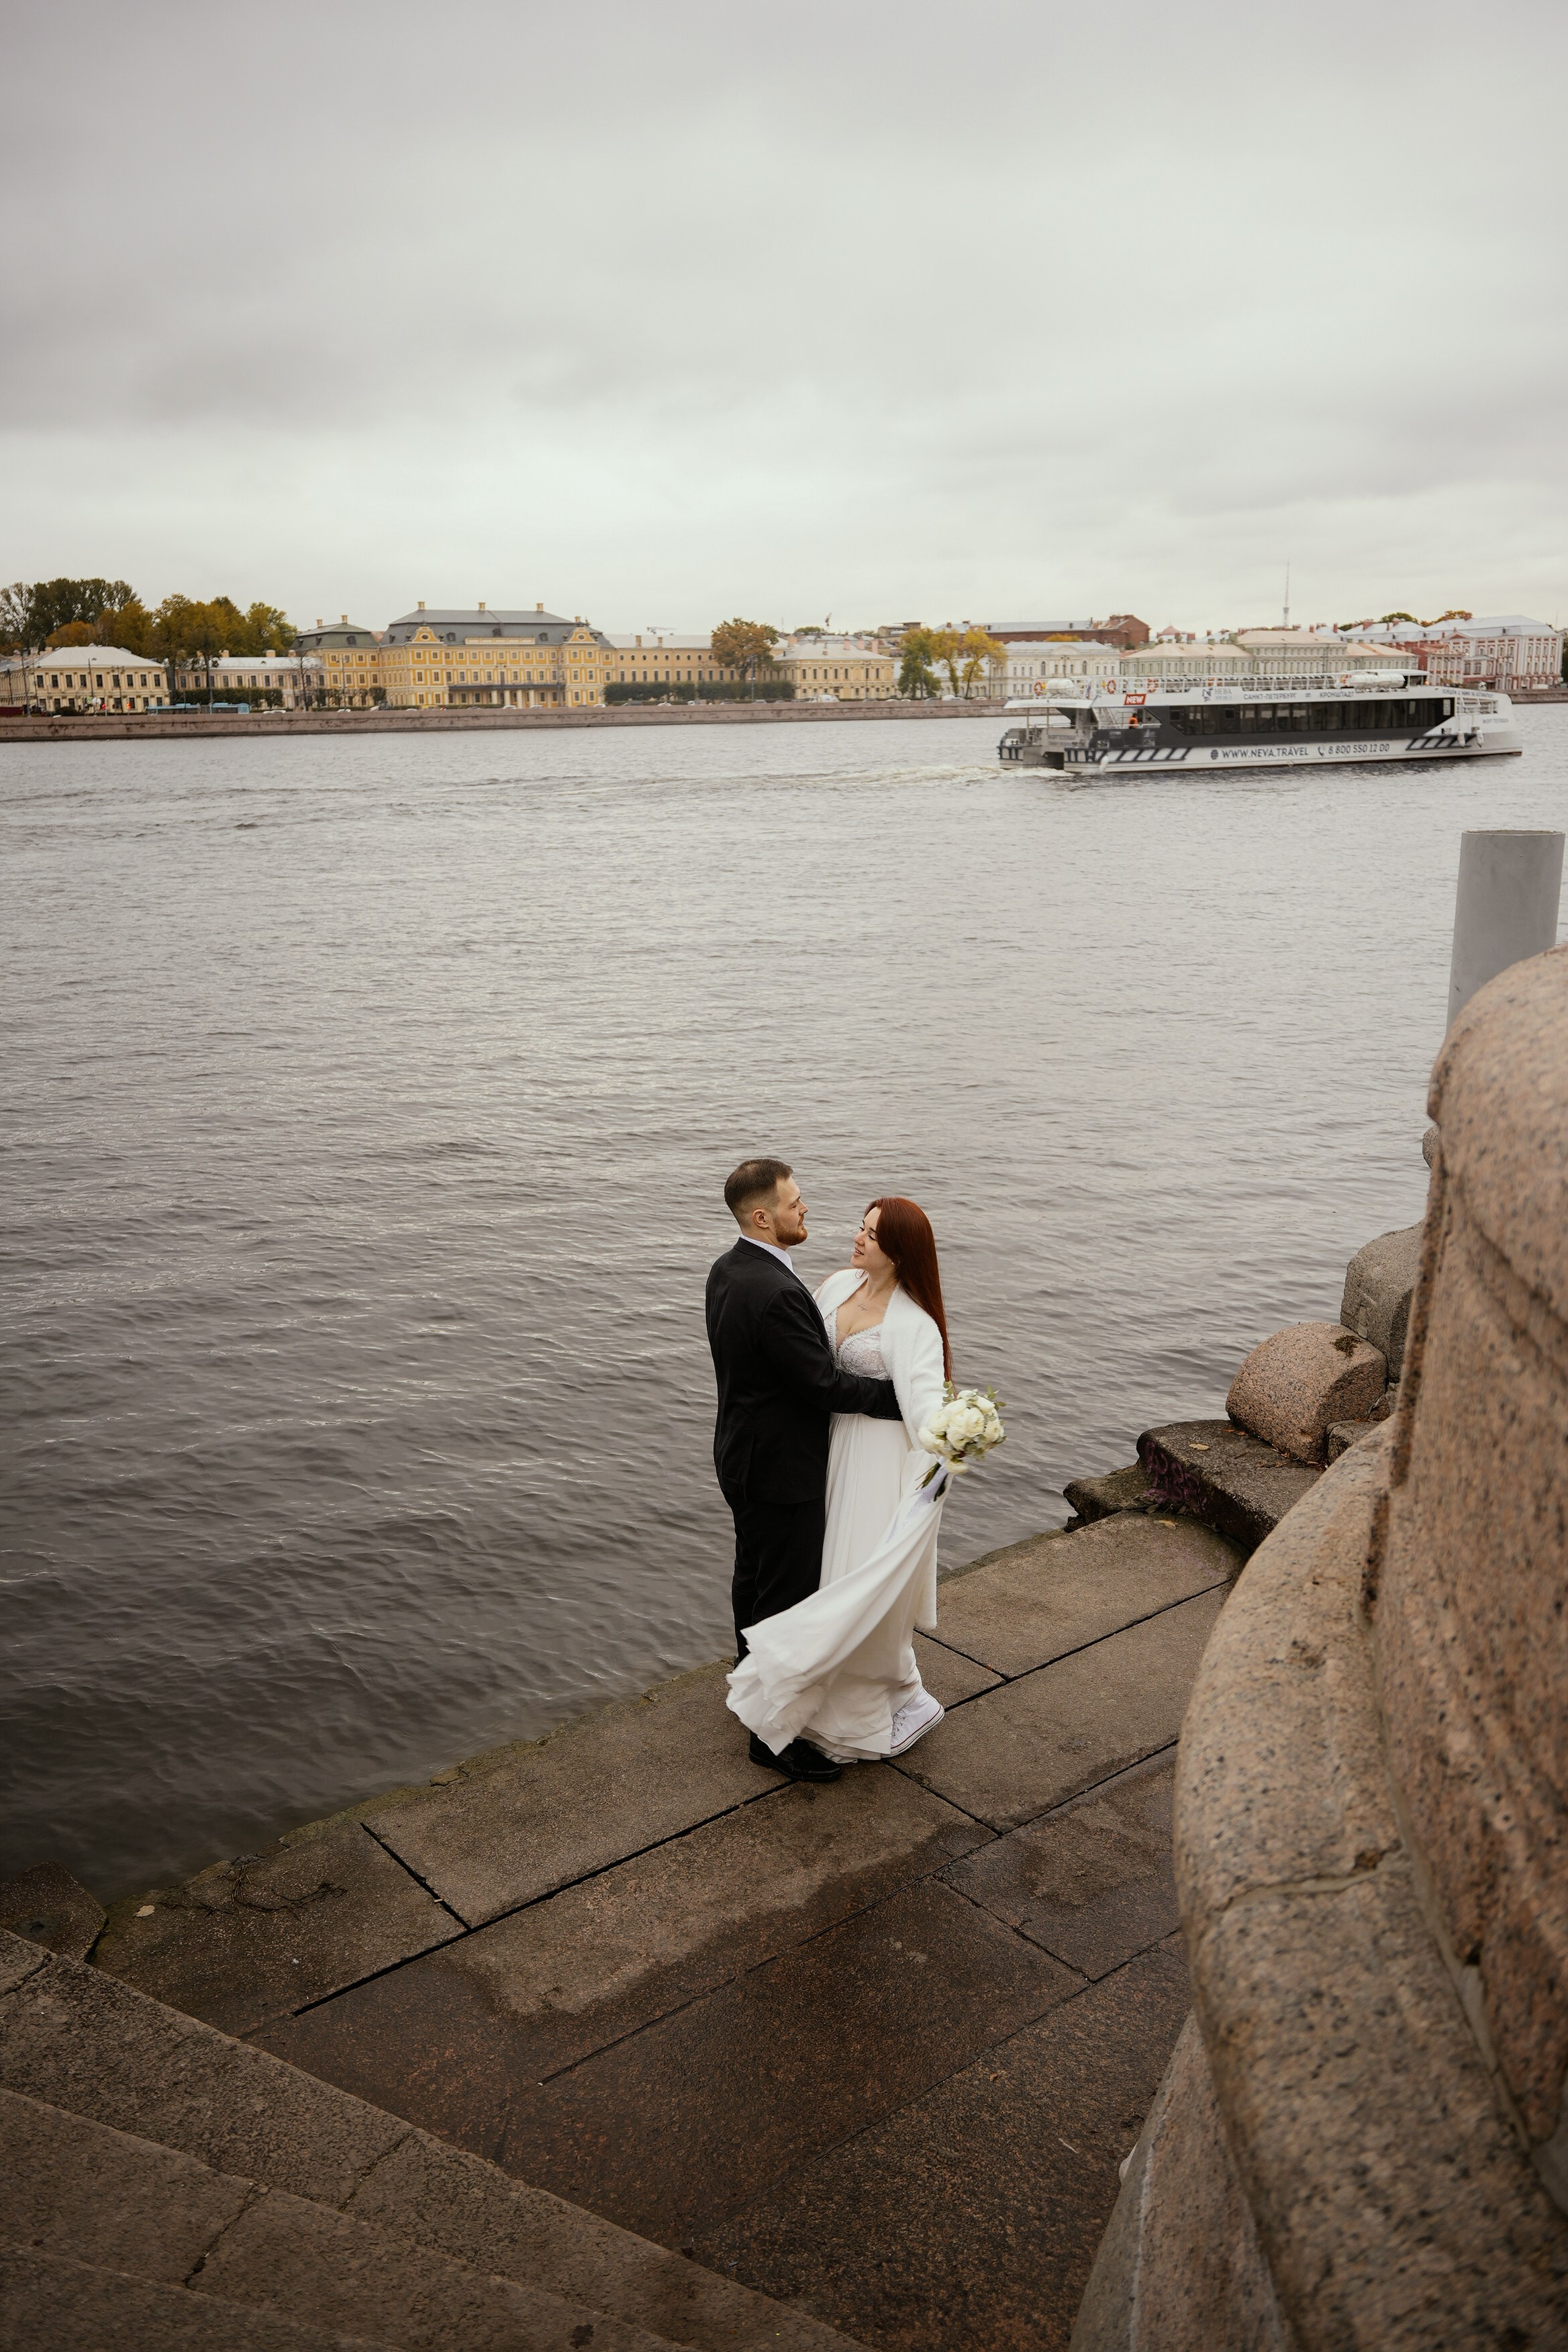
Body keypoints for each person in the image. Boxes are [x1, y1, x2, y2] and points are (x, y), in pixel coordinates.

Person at [726, 1196, 952, 1763]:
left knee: (853, 1576)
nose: (857, 1238)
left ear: (898, 1253)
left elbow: (924, 1406)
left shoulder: (915, 1324)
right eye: (861, 1226)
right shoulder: (833, 1287)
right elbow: (810, 1370)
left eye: (871, 1235)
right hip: (822, 1451)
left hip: (873, 1458)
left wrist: (951, 1443)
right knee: (812, 1576)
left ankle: (874, 1701)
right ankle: (786, 1687)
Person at [706, 1158, 905, 1785]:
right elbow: (822, 1385)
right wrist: (902, 1403)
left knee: (753, 1581)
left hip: (741, 1454)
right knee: (785, 1601)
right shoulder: (774, 1292)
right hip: (782, 1469)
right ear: (762, 1217)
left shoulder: (729, 1269)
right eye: (795, 1203)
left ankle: (749, 1687)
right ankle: (772, 1737)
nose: (806, 1209)